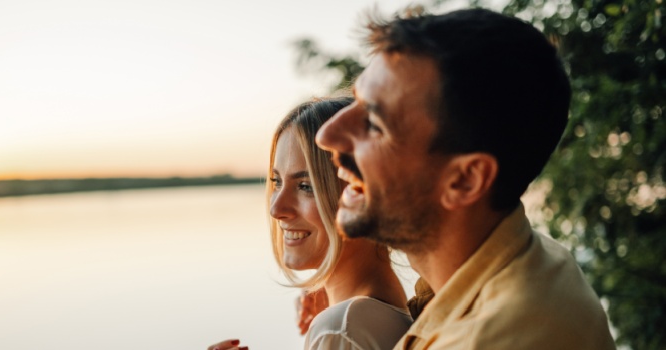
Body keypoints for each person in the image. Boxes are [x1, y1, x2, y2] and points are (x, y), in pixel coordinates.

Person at [314, 8, 616, 350]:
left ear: (465, 180)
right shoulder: (521, 259)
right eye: (356, 100)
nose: (327, 134)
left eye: (375, 124)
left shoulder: (494, 337)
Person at [209, 96, 412, 350]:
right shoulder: (387, 313)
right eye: (277, 182)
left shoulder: (343, 328)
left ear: (362, 194)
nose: (276, 209)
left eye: (306, 186)